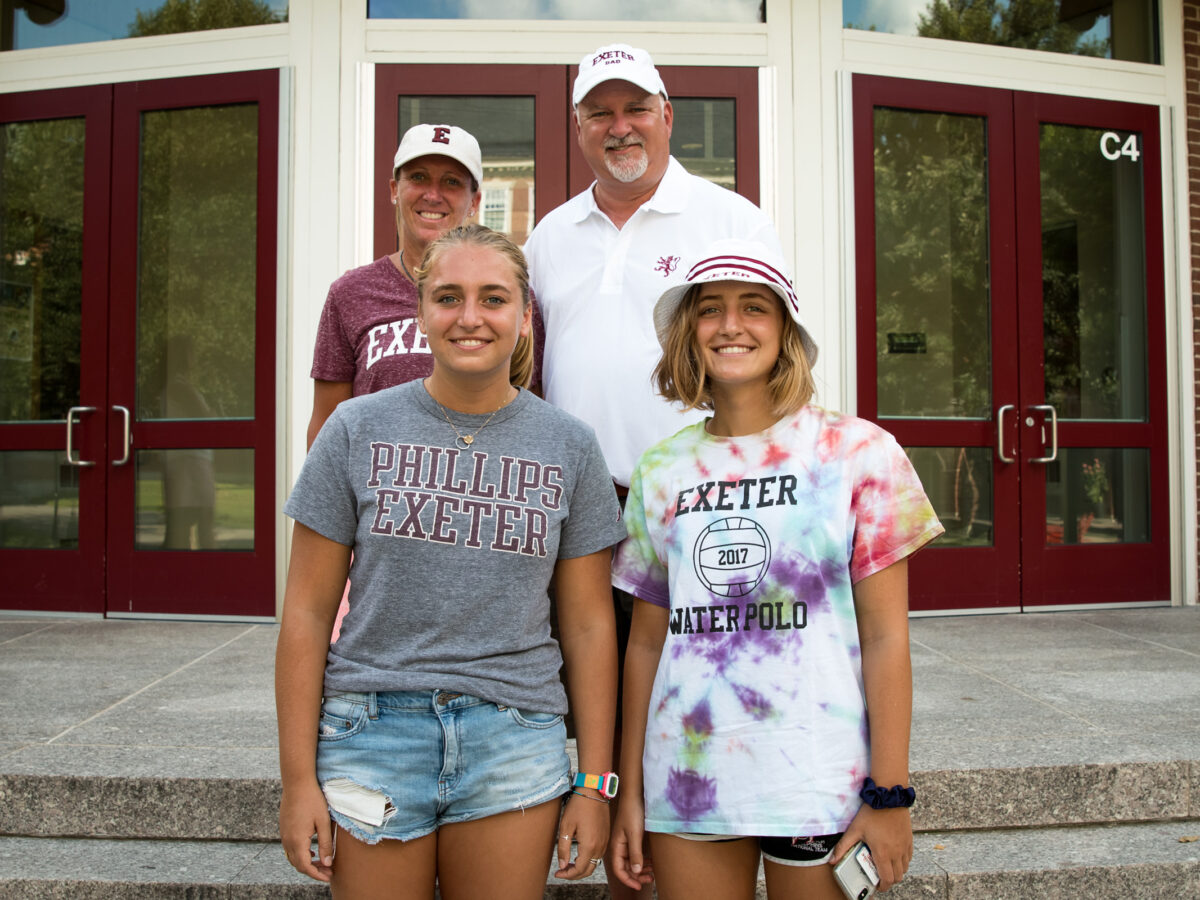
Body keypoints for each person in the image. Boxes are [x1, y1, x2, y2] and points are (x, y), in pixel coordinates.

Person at [277, 225, 626, 899]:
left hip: (514, 735)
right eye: (448, 297)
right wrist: (297, 782)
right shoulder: (355, 429)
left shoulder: (571, 446)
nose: (470, 317)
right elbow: (306, 612)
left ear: (524, 318)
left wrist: (594, 784)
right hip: (371, 731)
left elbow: (587, 627)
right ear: (420, 313)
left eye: (493, 299)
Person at [524, 45, 785, 894]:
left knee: (694, 694)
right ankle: (603, 823)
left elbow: (769, 358)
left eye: (636, 107)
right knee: (590, 685)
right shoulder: (550, 235)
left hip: (701, 503)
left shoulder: (731, 218)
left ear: (668, 113)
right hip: (579, 506)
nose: (619, 126)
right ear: (577, 128)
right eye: (599, 112)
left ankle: (698, 838)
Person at [608, 240, 944, 899]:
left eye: (754, 307)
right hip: (688, 776)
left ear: (786, 330)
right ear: (688, 334)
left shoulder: (859, 453)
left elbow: (885, 639)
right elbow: (646, 642)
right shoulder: (660, 469)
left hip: (819, 778)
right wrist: (628, 792)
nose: (731, 325)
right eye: (710, 310)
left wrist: (892, 792)